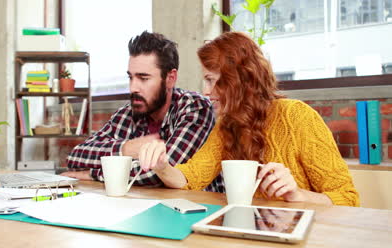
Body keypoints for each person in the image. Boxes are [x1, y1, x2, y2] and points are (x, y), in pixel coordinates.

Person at [138, 32, 359, 206]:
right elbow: (191, 177)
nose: (205, 91)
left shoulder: (297, 117)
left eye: (211, 80)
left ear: (237, 81)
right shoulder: (228, 125)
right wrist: (162, 166)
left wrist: (298, 195)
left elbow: (348, 198)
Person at [63, 31, 216, 188]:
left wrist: (92, 174)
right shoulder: (127, 114)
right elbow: (76, 157)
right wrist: (125, 149)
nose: (133, 88)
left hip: (198, 208)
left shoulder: (196, 108)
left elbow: (163, 172)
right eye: (131, 77)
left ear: (170, 78)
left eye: (143, 78)